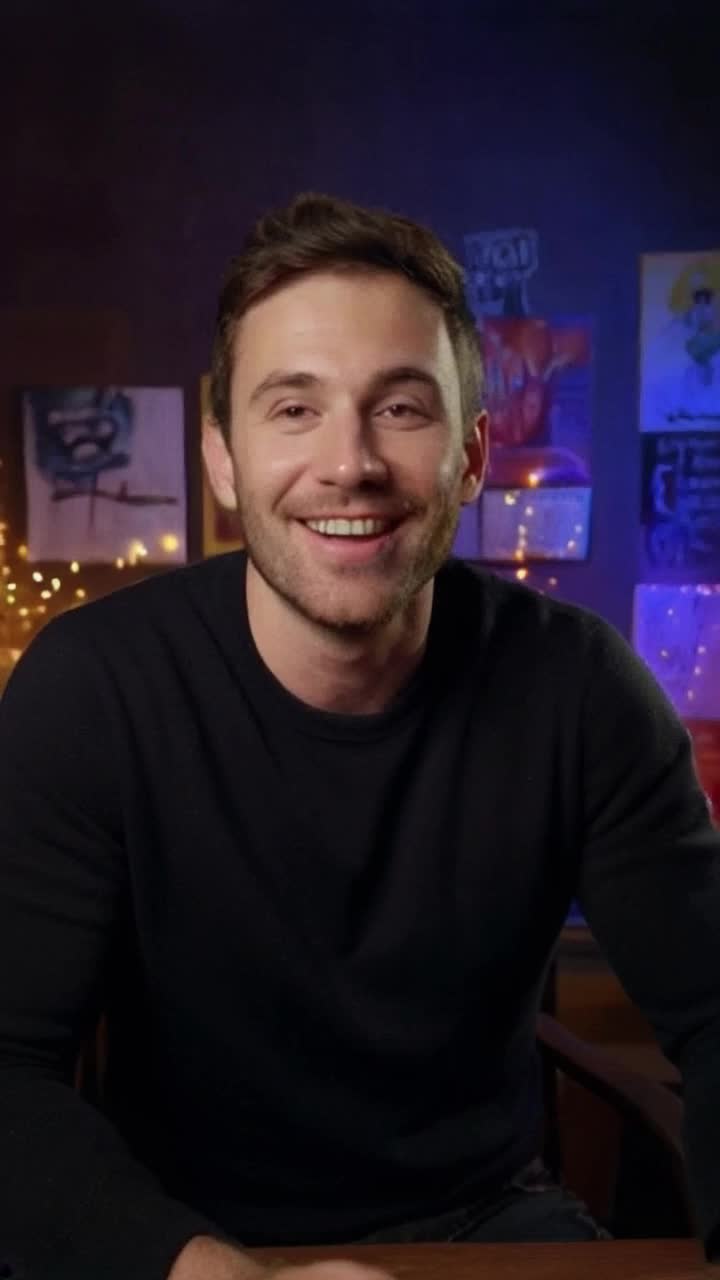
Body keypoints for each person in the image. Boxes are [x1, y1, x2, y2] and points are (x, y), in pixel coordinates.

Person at [1, 194, 719, 1280]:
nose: (351, 464)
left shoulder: (579, 686)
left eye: (401, 408)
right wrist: (204, 1269)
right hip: (169, 1233)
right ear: (224, 457)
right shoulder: (92, 686)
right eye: (294, 409)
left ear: (472, 455)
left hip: (484, 1222)